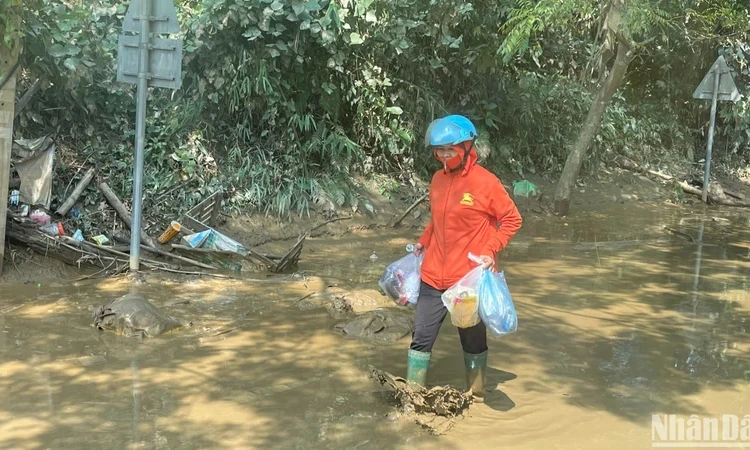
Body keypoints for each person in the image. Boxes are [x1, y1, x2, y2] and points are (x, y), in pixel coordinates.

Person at [406, 114, 522, 402]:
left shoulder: (485, 183)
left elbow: (511, 219)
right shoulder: (437, 179)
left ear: (468, 147)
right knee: (421, 339)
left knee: (472, 342)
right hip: (433, 275)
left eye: (451, 150)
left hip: (466, 281)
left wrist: (491, 249)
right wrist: (423, 241)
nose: (444, 157)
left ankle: (477, 396)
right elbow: (437, 221)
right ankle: (411, 396)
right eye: (439, 151)